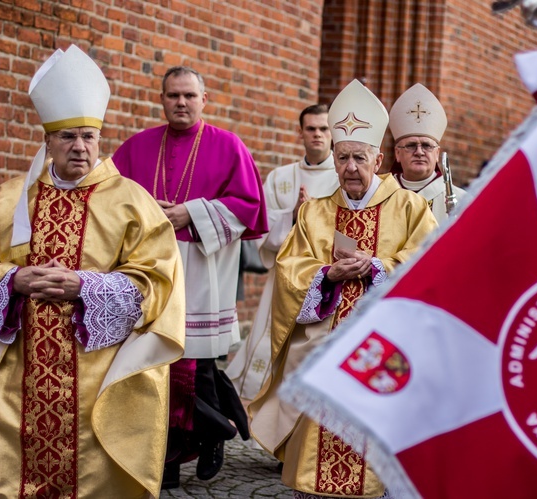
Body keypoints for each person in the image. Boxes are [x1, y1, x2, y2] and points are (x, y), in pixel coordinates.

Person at [0, 44, 185, 497]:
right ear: (47, 142)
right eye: (67, 137)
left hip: (96, 374)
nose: (79, 147)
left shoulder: (131, 201)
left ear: (100, 140)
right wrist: (11, 279)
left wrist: (86, 285)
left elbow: (158, 280)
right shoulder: (9, 200)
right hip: (20, 369)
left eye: (88, 136)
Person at [248, 79, 438, 498]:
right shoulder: (316, 211)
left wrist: (376, 267)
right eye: (343, 157)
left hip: (384, 351)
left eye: (359, 158)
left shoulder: (410, 207)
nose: (350, 167)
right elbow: (289, 270)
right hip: (324, 350)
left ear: (379, 158)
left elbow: (429, 265)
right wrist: (326, 276)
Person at [112, 66, 269, 488]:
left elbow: (249, 206)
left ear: (204, 99)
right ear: (161, 99)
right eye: (172, 95)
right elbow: (109, 200)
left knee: (195, 367)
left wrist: (191, 212)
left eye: (188, 95)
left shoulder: (228, 145)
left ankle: (201, 438)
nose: (181, 103)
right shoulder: (136, 147)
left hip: (202, 266)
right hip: (150, 270)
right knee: (154, 364)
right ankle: (203, 432)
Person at [226, 104, 339, 404]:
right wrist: (293, 215)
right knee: (271, 340)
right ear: (300, 132)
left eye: (324, 129)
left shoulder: (344, 177)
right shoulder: (281, 177)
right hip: (284, 277)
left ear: (333, 134)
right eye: (311, 128)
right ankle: (258, 402)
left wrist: (311, 217)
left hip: (324, 278)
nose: (317, 134)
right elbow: (262, 229)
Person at [389, 83, 468, 223]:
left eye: (426, 145)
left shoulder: (462, 201)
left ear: (437, 153)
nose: (419, 152)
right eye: (411, 145)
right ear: (397, 153)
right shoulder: (381, 196)